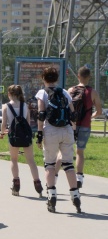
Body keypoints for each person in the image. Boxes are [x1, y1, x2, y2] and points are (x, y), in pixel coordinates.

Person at [35, 67, 81, 213]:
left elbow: (41, 114)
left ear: (43, 78)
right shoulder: (65, 92)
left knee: (49, 164)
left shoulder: (42, 93)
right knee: (68, 165)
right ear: (56, 78)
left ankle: (52, 197)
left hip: (51, 130)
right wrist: (73, 132)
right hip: (66, 130)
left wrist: (40, 134)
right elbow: (73, 115)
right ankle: (75, 197)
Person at [55, 66, 102, 188]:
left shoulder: (71, 90)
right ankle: (79, 177)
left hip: (70, 125)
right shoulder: (93, 92)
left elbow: (64, 106)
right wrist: (90, 116)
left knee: (63, 151)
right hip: (85, 125)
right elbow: (99, 111)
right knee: (80, 151)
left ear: (78, 76)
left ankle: (53, 176)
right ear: (89, 77)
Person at [0, 85, 43, 197]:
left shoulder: (6, 106)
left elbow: (4, 125)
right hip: (26, 137)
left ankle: (16, 184)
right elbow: (28, 124)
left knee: (14, 160)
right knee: (31, 161)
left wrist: (2, 133)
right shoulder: (25, 106)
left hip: (13, 137)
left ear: (9, 94)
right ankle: (38, 184)